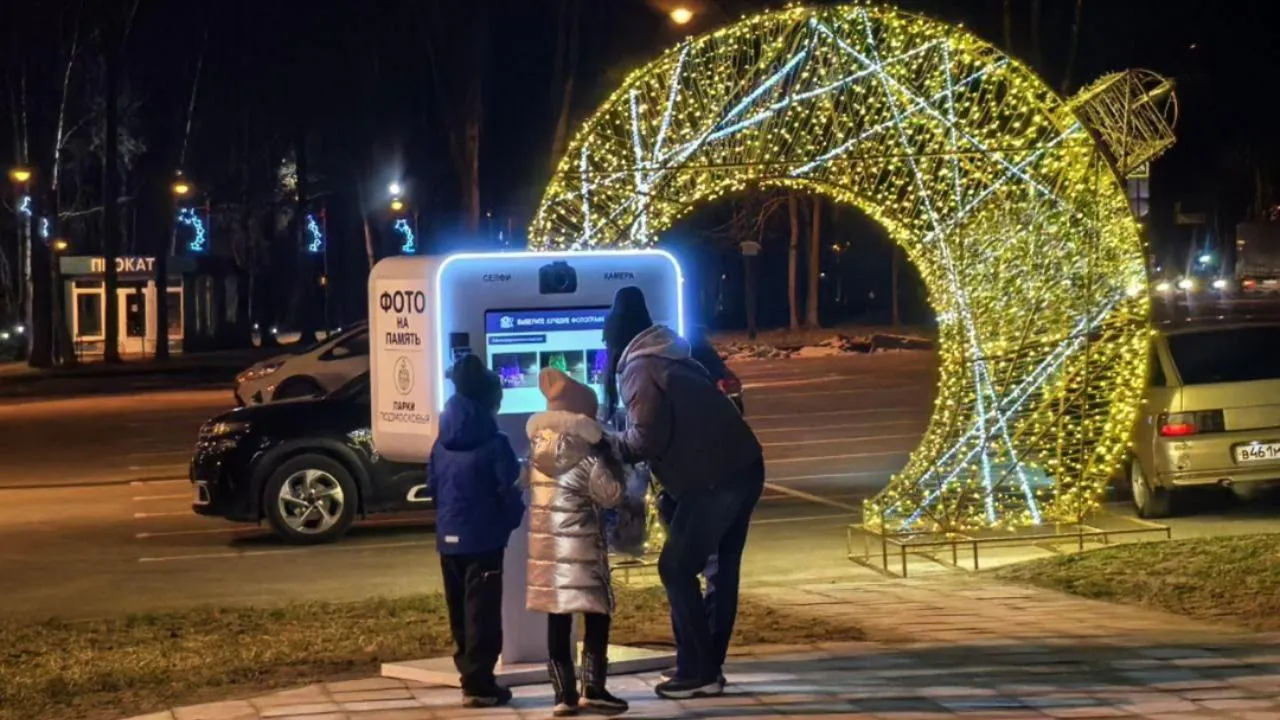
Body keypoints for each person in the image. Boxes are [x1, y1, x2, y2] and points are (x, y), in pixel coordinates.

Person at [609, 292, 765, 701]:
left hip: (713, 478)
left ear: (618, 337)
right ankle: (705, 664)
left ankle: (697, 669)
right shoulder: (670, 355)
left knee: (676, 569)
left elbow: (644, 439)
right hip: (743, 465)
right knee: (720, 568)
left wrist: (606, 441)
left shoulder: (640, 368)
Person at [525, 368, 631, 717]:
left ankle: (563, 695)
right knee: (596, 615)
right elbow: (612, 495)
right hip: (583, 550)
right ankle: (594, 688)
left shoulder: (536, 454)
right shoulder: (587, 456)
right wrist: (611, 458)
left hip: (546, 554)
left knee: (558, 620)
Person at [426, 354, 526, 708]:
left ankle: (469, 674)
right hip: (484, 539)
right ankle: (481, 683)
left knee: (459, 609)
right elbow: (510, 492)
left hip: (448, 537)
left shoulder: (441, 441)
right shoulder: (495, 442)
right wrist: (508, 523)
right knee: (482, 609)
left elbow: (433, 485)